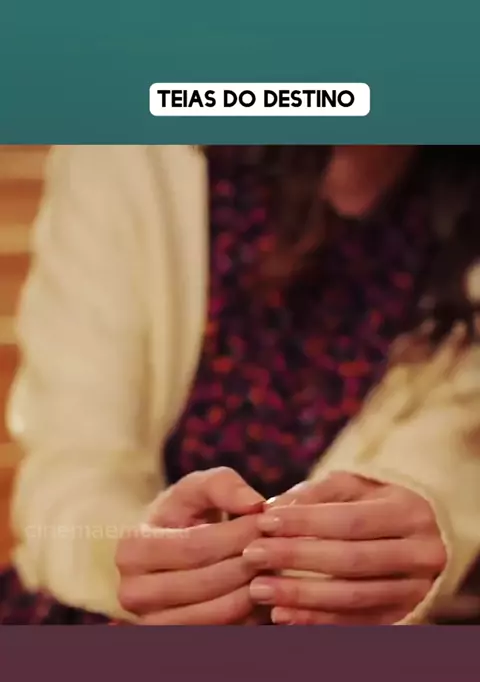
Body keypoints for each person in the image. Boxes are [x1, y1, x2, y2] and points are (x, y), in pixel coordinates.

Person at [0, 144, 479, 625]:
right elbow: (72, 471)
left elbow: (446, 479)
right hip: (94, 614)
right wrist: (125, 553)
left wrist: (412, 542)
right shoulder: (130, 156)